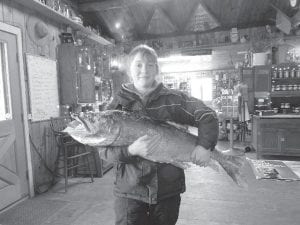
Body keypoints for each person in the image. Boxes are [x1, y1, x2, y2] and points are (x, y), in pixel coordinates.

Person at [101, 45, 218, 225]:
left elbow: (207, 115)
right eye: (138, 65)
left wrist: (204, 145)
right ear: (130, 69)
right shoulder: (117, 104)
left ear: (157, 68)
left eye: (150, 65)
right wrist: (131, 150)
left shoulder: (174, 99)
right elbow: (104, 152)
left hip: (167, 191)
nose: (144, 70)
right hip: (130, 192)